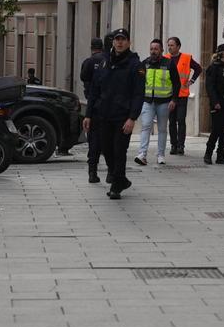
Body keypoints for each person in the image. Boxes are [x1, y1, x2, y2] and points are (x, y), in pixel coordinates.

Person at [83, 28, 144, 199]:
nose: (119, 42)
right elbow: (95, 90)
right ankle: (121, 178)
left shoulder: (135, 65)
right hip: (103, 115)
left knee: (119, 151)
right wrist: (88, 115)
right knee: (107, 150)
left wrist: (132, 118)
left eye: (123, 39)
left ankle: (116, 186)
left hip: (123, 117)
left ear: (128, 42)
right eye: (117, 39)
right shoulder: (104, 62)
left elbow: (139, 94)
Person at [135, 38, 180, 166]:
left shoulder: (169, 64)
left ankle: (160, 155)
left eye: (156, 49)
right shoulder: (144, 64)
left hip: (164, 102)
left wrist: (174, 100)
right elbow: (139, 83)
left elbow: (177, 84)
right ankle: (142, 154)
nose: (153, 51)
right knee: (146, 126)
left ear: (161, 50)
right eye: (151, 49)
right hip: (148, 101)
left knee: (162, 129)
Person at [165, 36, 202, 155]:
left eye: (172, 45)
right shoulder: (165, 58)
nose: (170, 47)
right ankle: (173, 145)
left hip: (182, 94)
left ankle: (181, 145)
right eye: (169, 45)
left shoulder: (186, 58)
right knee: (171, 121)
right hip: (169, 95)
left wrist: (192, 81)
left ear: (178, 46)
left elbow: (198, 68)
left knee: (181, 120)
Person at [79, 37, 107, 183]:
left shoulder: (88, 62)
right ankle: (111, 172)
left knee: (93, 141)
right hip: (108, 106)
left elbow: (83, 77)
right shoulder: (107, 60)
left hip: (93, 105)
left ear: (91, 47)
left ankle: (92, 172)